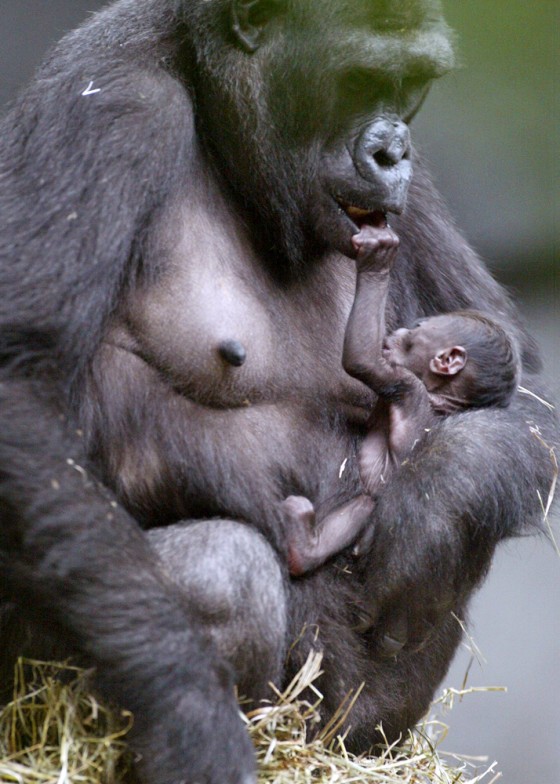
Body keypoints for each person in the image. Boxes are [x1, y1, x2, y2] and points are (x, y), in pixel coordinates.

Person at [284, 225, 520, 576]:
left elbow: (361, 360)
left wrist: (375, 274)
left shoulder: (413, 397)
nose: (396, 333)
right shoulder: (434, 425)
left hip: (375, 510)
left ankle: (311, 548)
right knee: (365, 505)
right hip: (382, 523)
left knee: (365, 503)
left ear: (446, 361)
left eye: (411, 337)